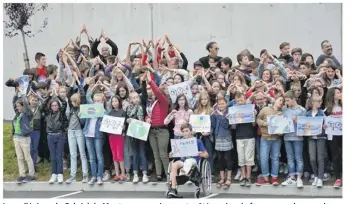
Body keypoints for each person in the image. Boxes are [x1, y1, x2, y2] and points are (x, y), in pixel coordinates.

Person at [167, 123, 208, 198]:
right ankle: (173, 189)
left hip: (193, 161)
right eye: (183, 131)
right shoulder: (178, 142)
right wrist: (171, 154)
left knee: (188, 161)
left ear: (191, 131)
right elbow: (172, 155)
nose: (185, 133)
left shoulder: (197, 141)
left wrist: (201, 154)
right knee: (174, 164)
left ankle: (183, 175)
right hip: (182, 161)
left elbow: (206, 154)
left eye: (187, 131)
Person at [255, 95, 285, 186]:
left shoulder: (282, 112)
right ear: (274, 100)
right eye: (280, 100)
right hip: (265, 137)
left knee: (275, 158)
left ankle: (274, 178)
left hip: (276, 138)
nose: (281, 102)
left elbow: (284, 126)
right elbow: (258, 119)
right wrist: (265, 123)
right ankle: (265, 178)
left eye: (283, 102)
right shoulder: (265, 109)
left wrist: (281, 132)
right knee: (263, 158)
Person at [41, 92, 68, 184]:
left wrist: (57, 95)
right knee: (52, 156)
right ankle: (54, 174)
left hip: (60, 135)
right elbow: (44, 104)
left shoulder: (61, 112)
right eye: (53, 105)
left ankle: (60, 174)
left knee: (59, 156)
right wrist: (49, 96)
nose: (54, 107)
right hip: (50, 136)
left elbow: (64, 103)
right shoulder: (48, 113)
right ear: (51, 106)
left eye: (56, 105)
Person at [281, 90, 306, 188]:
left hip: (298, 137)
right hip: (287, 136)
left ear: (293, 99)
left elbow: (305, 125)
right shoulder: (285, 110)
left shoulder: (301, 110)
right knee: (290, 158)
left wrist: (298, 121)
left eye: (287, 100)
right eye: (285, 101)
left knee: (298, 157)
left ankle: (299, 178)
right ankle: (292, 177)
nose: (286, 103)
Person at [232, 93, 257, 187]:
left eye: (241, 100)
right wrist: (231, 118)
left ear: (245, 99)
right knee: (241, 158)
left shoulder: (250, 109)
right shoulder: (234, 110)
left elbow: (254, 125)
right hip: (239, 137)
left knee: (249, 158)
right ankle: (243, 176)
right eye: (238, 101)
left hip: (250, 136)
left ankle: (248, 177)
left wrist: (253, 115)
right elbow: (233, 127)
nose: (240, 102)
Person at [65, 86, 89, 184]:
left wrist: (81, 116)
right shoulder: (70, 108)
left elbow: (83, 122)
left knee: (82, 154)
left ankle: (85, 175)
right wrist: (71, 85)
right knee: (73, 154)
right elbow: (67, 116)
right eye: (71, 101)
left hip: (79, 131)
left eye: (73, 101)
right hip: (70, 131)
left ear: (77, 101)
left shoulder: (81, 109)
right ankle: (72, 175)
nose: (71, 103)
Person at [83, 90, 106, 185]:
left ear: (102, 101)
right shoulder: (89, 108)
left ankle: (99, 176)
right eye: (95, 100)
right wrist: (94, 86)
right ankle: (93, 176)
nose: (96, 102)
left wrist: (103, 118)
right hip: (88, 134)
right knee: (91, 157)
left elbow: (106, 122)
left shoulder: (103, 111)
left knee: (99, 156)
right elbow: (87, 95)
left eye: (99, 101)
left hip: (97, 135)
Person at [13, 93, 36, 183]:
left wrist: (23, 94)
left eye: (19, 106)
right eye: (17, 106)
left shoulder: (27, 114)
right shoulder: (17, 114)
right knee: (20, 157)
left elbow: (26, 103)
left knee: (27, 157)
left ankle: (31, 175)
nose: (17, 108)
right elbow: (13, 102)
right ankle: (22, 174)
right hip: (16, 137)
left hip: (24, 138)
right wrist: (16, 92)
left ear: (23, 106)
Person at [211, 98, 233, 189]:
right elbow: (213, 125)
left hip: (226, 137)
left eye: (223, 104)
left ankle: (228, 178)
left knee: (228, 158)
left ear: (226, 104)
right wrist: (212, 116)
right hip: (218, 138)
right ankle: (222, 178)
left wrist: (222, 116)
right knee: (220, 159)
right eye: (219, 104)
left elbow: (227, 126)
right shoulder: (216, 114)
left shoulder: (228, 114)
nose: (221, 106)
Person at [306, 95, 325, 188]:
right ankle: (316, 176)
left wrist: (323, 127)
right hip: (311, 138)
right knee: (312, 158)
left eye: (320, 101)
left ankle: (320, 178)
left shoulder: (322, 113)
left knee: (320, 158)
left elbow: (326, 125)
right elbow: (305, 126)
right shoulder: (307, 114)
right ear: (313, 102)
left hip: (321, 137)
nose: (320, 103)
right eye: (318, 101)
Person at [324, 87, 342, 188]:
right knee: (335, 156)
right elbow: (325, 122)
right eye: (338, 93)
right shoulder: (328, 109)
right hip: (333, 135)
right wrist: (324, 126)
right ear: (333, 95)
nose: (340, 94)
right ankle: (338, 178)